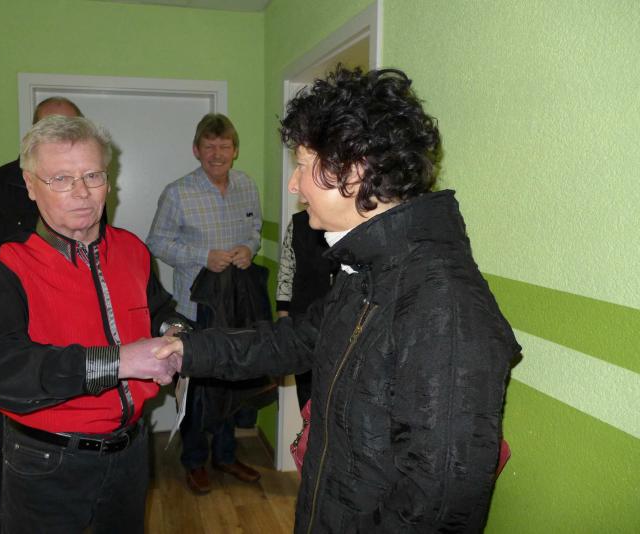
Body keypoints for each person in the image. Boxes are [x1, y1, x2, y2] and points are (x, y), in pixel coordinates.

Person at [157, 66, 521, 533]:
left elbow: (438, 506)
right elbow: (293, 340)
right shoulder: (368, 268)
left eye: (303, 165)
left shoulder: (442, 303)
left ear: (354, 169)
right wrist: (187, 349)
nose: (294, 184)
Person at [0, 115, 188, 533]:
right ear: (31, 186)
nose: (81, 192)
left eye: (92, 175)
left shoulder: (132, 249)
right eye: (61, 179)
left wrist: (174, 333)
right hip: (46, 463)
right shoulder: (6, 266)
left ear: (108, 180)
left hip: (130, 455)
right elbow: (0, 371)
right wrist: (118, 362)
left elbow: (158, 310)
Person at [146, 113, 263, 494]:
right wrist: (202, 256)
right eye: (209, 146)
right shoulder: (177, 192)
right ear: (196, 150)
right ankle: (194, 460)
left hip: (236, 306)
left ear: (235, 150)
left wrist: (249, 248)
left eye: (224, 146)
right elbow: (156, 243)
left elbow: (255, 230)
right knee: (195, 389)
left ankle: (226, 456)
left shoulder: (247, 185)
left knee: (230, 381)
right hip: (193, 308)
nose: (217, 154)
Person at [0, 96, 83, 324]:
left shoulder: (89, 189)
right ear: (34, 133)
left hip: (76, 316)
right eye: (52, 129)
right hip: (16, 322)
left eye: (71, 129)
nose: (63, 138)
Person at [275, 209, 338, 409]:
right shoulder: (299, 223)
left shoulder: (349, 221)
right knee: (307, 395)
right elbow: (286, 271)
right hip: (303, 320)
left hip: (340, 323)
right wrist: (284, 320)